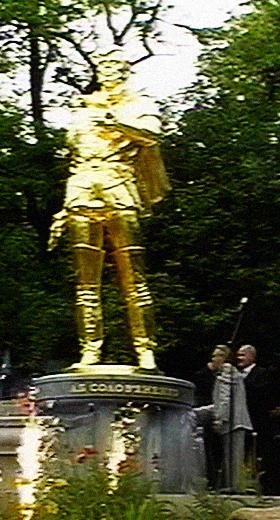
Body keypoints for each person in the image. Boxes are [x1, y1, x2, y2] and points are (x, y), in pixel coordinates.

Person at [47, 47, 170, 370]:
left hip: (120, 188)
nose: (107, 72)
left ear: (125, 72)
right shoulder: (83, 110)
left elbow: (153, 134)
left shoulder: (138, 105)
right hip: (82, 191)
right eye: (103, 67)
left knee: (134, 279)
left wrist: (115, 121)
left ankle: (145, 350)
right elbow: (76, 157)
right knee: (86, 284)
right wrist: (63, 208)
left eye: (114, 67)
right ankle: (89, 350)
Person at [195, 345, 253, 491]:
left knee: (234, 458)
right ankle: (231, 487)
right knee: (230, 457)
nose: (213, 359)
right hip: (232, 421)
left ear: (223, 358)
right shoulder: (227, 372)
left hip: (234, 421)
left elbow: (224, 400)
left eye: (215, 356)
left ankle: (235, 489)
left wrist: (219, 420)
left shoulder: (227, 370)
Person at [236, 344, 277, 493]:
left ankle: (262, 485)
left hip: (258, 422)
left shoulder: (262, 374)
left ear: (251, 356)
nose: (238, 358)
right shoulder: (235, 375)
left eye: (242, 355)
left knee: (259, 454)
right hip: (240, 422)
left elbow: (262, 394)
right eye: (238, 355)